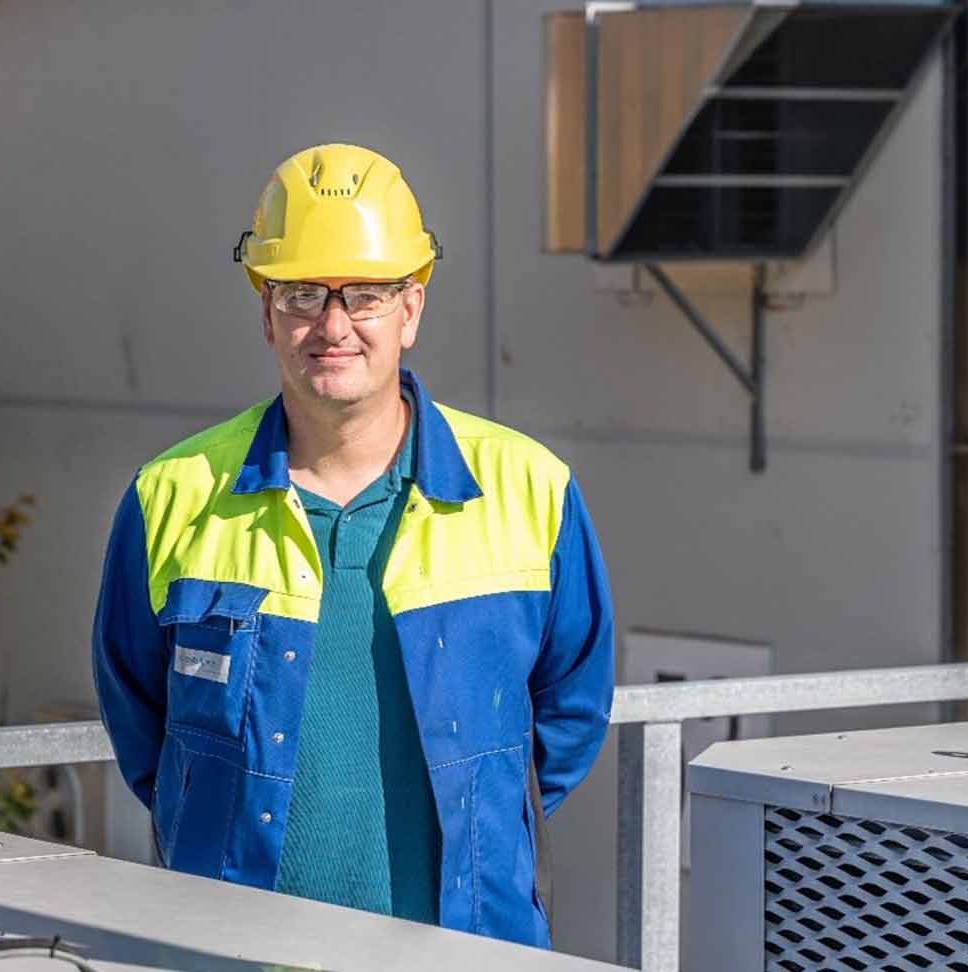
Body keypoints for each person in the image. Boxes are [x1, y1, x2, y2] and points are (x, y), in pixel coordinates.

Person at [91, 143, 614, 948]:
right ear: (265, 310)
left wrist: (483, 816)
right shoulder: (174, 494)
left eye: (365, 295)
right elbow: (139, 716)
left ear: (411, 309)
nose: (332, 325)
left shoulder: (530, 487)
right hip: (231, 953)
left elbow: (571, 710)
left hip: (468, 953)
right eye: (301, 292)